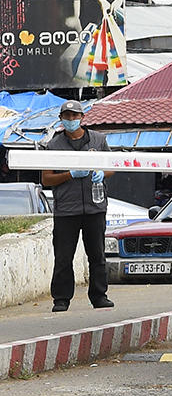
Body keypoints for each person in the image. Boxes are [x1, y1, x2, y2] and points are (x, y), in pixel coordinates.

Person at [40, 101, 113, 312]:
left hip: (94, 206)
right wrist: (69, 174)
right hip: (66, 209)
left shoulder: (98, 140)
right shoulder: (53, 145)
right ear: (61, 118)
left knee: (97, 255)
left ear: (82, 117)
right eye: (67, 116)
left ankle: (99, 296)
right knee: (63, 256)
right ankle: (61, 299)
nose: (71, 120)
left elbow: (112, 166)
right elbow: (47, 179)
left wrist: (102, 172)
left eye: (74, 116)